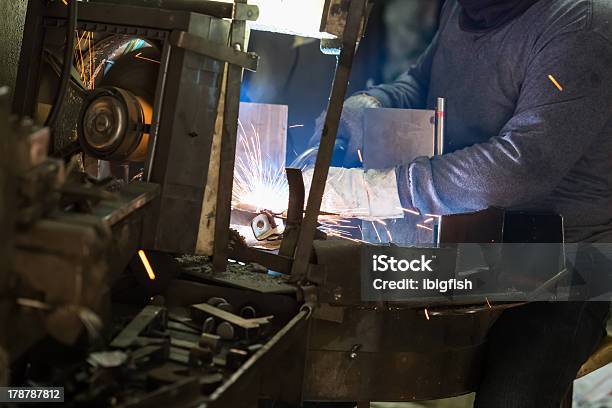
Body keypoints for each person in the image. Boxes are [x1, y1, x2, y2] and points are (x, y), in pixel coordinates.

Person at [308, 0, 612, 406]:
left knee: (513, 397)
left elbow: (519, 166)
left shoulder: (582, 25)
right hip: (477, 246)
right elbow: (422, 82)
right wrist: (374, 103)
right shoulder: (468, 7)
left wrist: (384, 189)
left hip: (565, 263)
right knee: (330, 329)